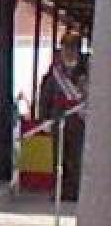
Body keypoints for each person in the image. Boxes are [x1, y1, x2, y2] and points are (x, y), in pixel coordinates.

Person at [38, 32, 87, 201]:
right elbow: (45, 96)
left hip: (79, 121)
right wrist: (44, 118)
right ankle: (60, 190)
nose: (69, 52)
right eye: (66, 47)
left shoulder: (87, 69)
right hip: (58, 120)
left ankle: (75, 191)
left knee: (76, 157)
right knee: (58, 159)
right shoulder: (55, 72)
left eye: (72, 48)